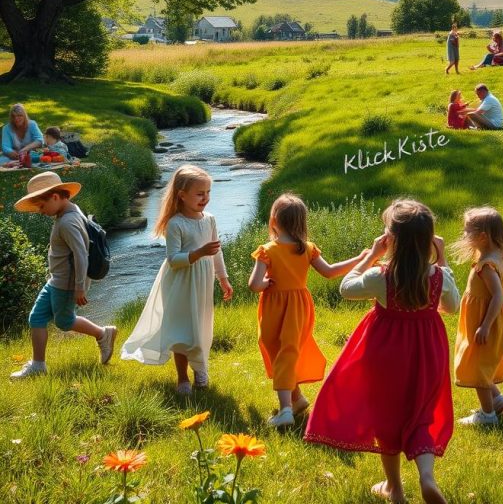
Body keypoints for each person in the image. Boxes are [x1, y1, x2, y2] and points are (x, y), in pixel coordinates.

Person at [305, 199, 460, 504]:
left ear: (391, 240)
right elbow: (452, 306)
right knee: (421, 416)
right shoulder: (438, 276)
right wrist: (441, 260)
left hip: (386, 356)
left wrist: (371, 256)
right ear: (429, 240)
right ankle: (427, 478)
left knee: (387, 418)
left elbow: (346, 288)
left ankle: (395, 489)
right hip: (428, 355)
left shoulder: (381, 276)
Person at [248, 192, 368, 428]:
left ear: (274, 220)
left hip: (274, 307)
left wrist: (266, 283)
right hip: (299, 306)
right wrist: (360, 259)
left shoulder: (267, 250)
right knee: (287, 350)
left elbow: (254, 285)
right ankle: (297, 399)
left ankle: (285, 411)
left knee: (280, 352)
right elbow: (330, 271)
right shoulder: (307, 249)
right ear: (302, 221)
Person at [121, 165, 232, 394]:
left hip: (202, 282)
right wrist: (199, 253)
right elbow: (173, 259)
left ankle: (200, 368)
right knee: (182, 329)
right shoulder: (176, 223)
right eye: (199, 193)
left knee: (201, 326)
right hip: (180, 282)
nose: (205, 198)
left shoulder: (209, 219)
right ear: (182, 195)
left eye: (208, 192)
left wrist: (223, 278)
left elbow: (217, 252)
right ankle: (182, 377)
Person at [10, 172, 117, 379]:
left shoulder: (68, 222)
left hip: (66, 283)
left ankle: (103, 334)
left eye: (42, 206)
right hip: (56, 280)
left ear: (55, 197)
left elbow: (81, 255)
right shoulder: (70, 210)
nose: (40, 212)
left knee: (65, 322)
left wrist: (79, 286)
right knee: (36, 317)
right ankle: (38, 365)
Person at [453, 206, 503, 426]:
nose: (463, 235)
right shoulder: (496, 255)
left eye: (466, 231)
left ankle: (487, 415)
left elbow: (498, 295)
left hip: (485, 320)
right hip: (485, 318)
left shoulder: (487, 266)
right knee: (480, 361)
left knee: (477, 367)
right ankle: (497, 399)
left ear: (482, 237)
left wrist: (485, 325)